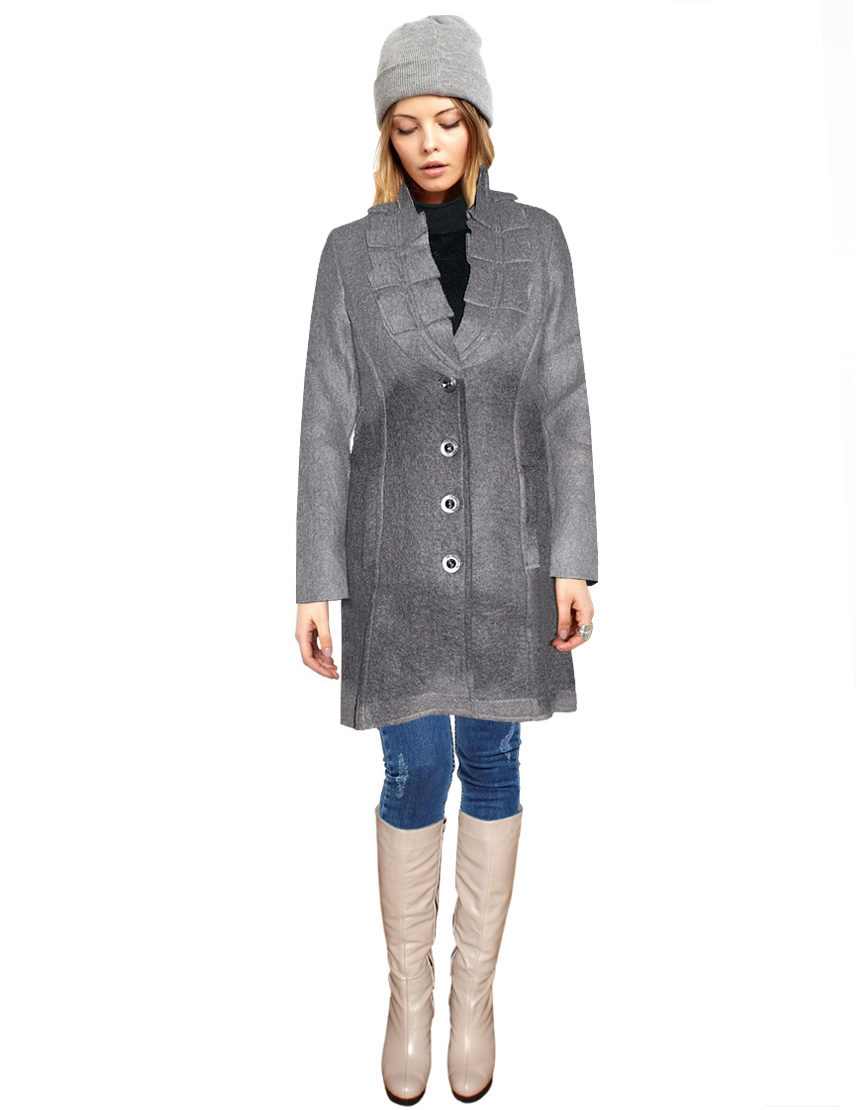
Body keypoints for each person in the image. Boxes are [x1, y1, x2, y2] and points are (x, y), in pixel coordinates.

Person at [294, 15, 598, 1104]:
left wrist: (574, 559)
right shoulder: (350, 254)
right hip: (396, 566)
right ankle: (409, 998)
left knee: (498, 764)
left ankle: (474, 998)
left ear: (478, 126)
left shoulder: (539, 242)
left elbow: (565, 405)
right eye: (407, 124)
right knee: (415, 770)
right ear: (387, 134)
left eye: (447, 120)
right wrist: (314, 582)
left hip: (514, 554)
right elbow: (324, 419)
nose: (429, 142)